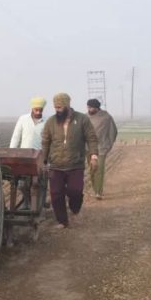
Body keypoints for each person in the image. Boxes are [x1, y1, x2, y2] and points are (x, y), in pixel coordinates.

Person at [41, 93, 99, 229]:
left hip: (75, 164)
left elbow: (91, 138)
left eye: (60, 107)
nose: (57, 110)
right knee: (56, 195)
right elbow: (45, 141)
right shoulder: (51, 121)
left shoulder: (82, 119)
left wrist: (94, 156)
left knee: (75, 191)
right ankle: (62, 221)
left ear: (67, 105)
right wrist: (43, 160)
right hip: (56, 165)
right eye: (55, 107)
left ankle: (75, 207)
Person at [9, 97, 47, 210]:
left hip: (40, 157)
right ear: (32, 108)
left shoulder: (46, 121)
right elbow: (16, 137)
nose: (38, 112)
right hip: (24, 156)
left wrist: (47, 159)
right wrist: (12, 153)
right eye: (36, 110)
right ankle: (27, 202)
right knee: (22, 184)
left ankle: (40, 207)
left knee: (40, 183)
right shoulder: (23, 119)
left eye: (40, 110)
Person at [86, 98, 119, 199]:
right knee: (92, 169)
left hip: (101, 148)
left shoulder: (106, 117)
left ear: (97, 108)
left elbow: (113, 132)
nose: (89, 109)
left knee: (99, 169)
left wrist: (108, 145)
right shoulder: (84, 117)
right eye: (88, 107)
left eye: (91, 108)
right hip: (88, 148)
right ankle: (95, 189)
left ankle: (98, 193)